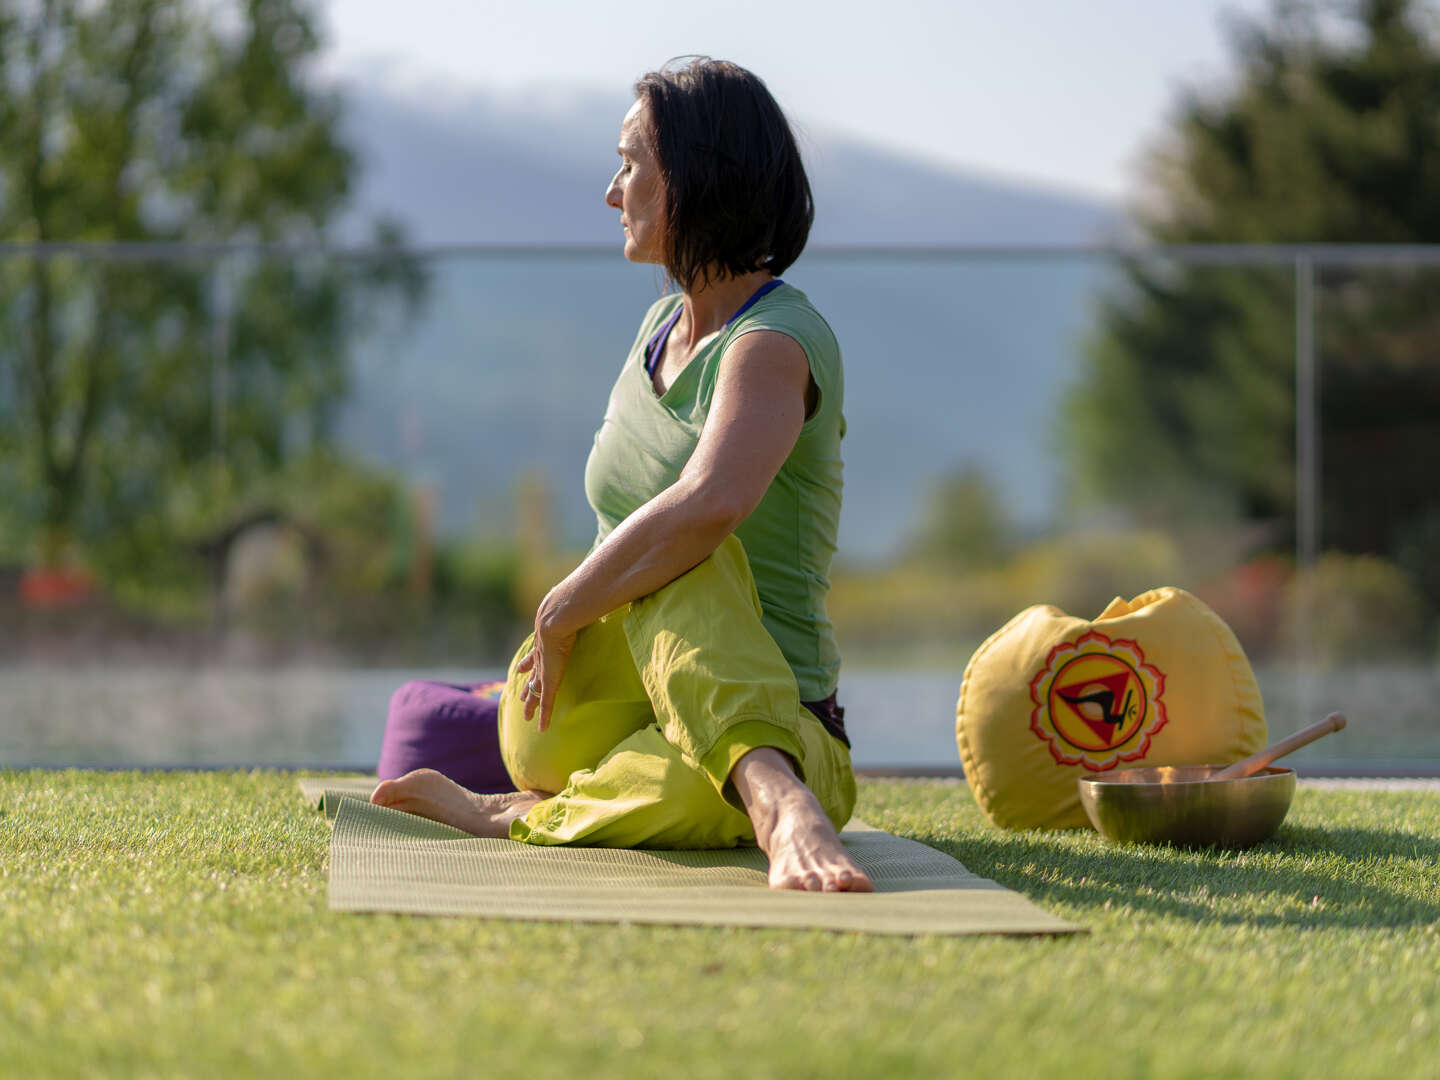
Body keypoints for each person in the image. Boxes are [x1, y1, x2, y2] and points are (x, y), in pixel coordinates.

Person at [372, 58, 871, 893]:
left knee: (686, 548)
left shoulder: (775, 342)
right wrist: (561, 630)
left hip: (778, 717)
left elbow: (712, 502)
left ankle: (768, 795)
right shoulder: (654, 328)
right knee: (659, 556)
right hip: (585, 714)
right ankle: (562, 792)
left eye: (632, 163)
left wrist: (564, 606)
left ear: (699, 177)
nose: (613, 191)